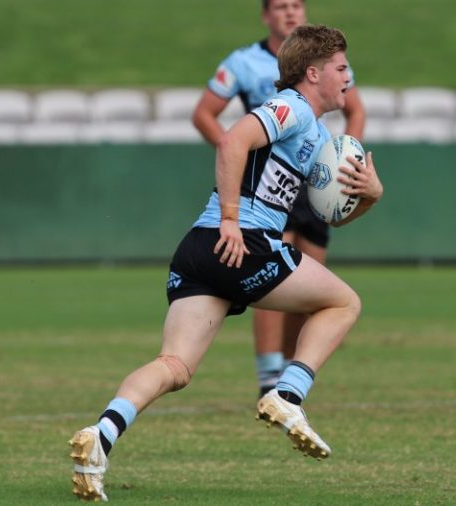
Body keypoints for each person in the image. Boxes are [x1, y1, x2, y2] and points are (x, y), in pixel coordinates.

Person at [68, 24, 383, 502]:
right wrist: (233, 220)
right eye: (342, 68)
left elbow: (332, 217)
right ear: (313, 73)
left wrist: (370, 198)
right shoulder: (290, 107)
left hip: (199, 250)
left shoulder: (317, 136)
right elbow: (231, 142)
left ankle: (100, 438)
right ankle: (288, 394)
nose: (348, 76)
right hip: (239, 240)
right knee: (343, 303)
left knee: (174, 365)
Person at [193, 0, 366, 399]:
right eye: (280, 6)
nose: (290, 13)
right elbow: (205, 113)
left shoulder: (328, 61)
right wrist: (234, 148)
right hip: (268, 181)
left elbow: (355, 109)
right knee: (273, 270)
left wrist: (348, 156)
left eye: (296, 5)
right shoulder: (244, 62)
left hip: (314, 172)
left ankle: (290, 371)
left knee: (309, 281)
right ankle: (269, 373)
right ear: (266, 16)